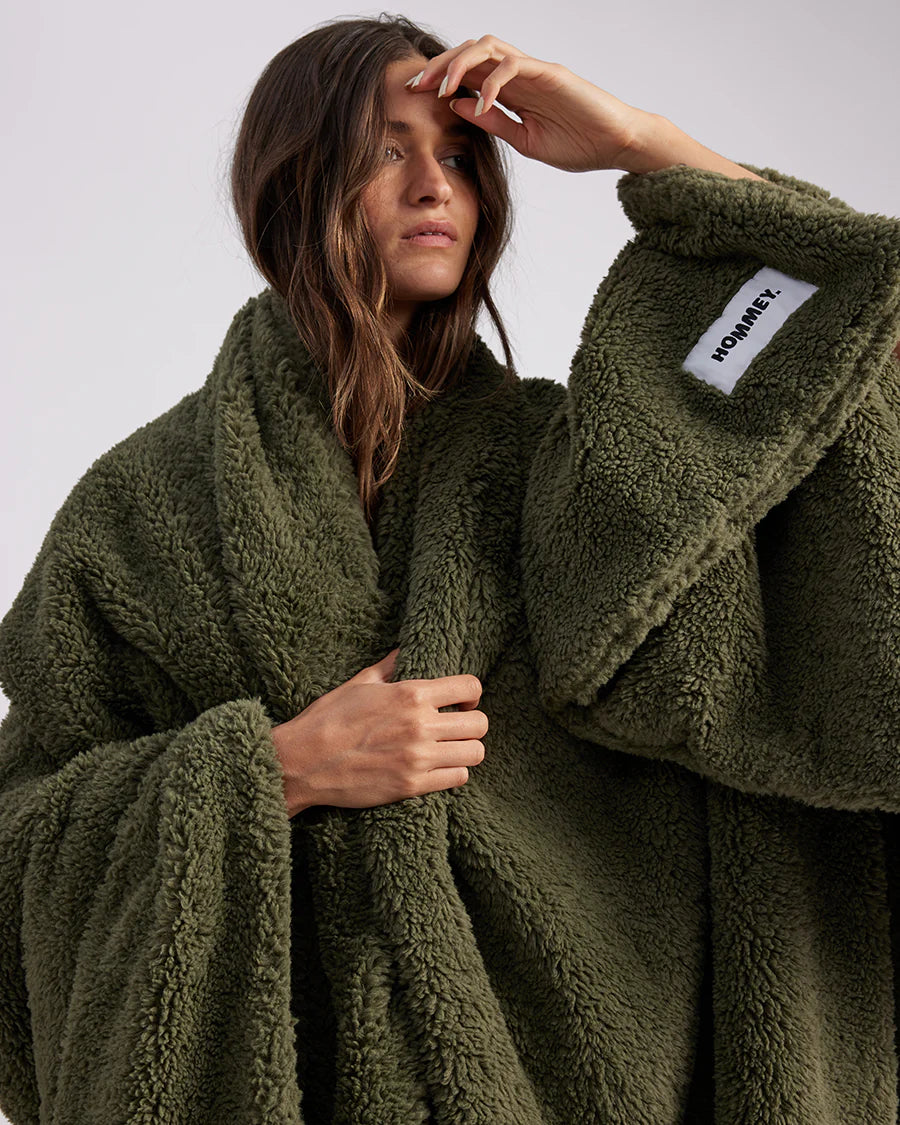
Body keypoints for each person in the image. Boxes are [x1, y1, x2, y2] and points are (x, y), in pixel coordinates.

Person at [2, 13, 900, 1125]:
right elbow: (21, 855)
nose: (435, 184)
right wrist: (274, 769)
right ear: (290, 189)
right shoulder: (139, 512)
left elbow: (848, 357)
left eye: (463, 156)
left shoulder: (586, 469)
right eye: (386, 150)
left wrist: (643, 142)